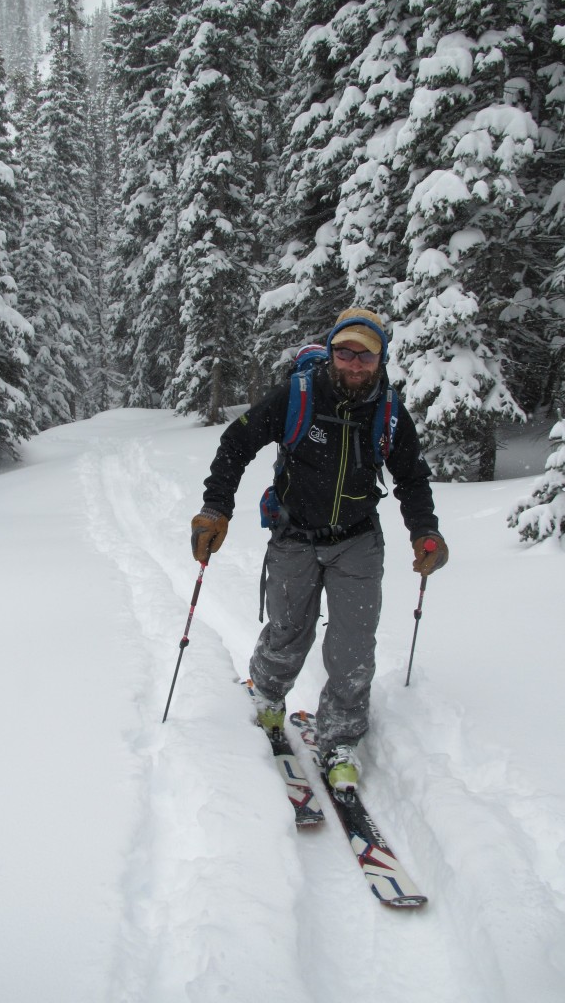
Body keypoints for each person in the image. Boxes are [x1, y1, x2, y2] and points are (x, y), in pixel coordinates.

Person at [190, 308, 448, 796]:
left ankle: (340, 741)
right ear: (331, 352)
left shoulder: (389, 411)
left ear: (380, 358)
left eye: (364, 355)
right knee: (289, 628)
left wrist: (425, 532)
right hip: (294, 537)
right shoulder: (298, 396)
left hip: (357, 541)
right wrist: (214, 508)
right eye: (344, 352)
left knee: (353, 646)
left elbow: (412, 477)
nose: (353, 363)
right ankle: (266, 697)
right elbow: (236, 442)